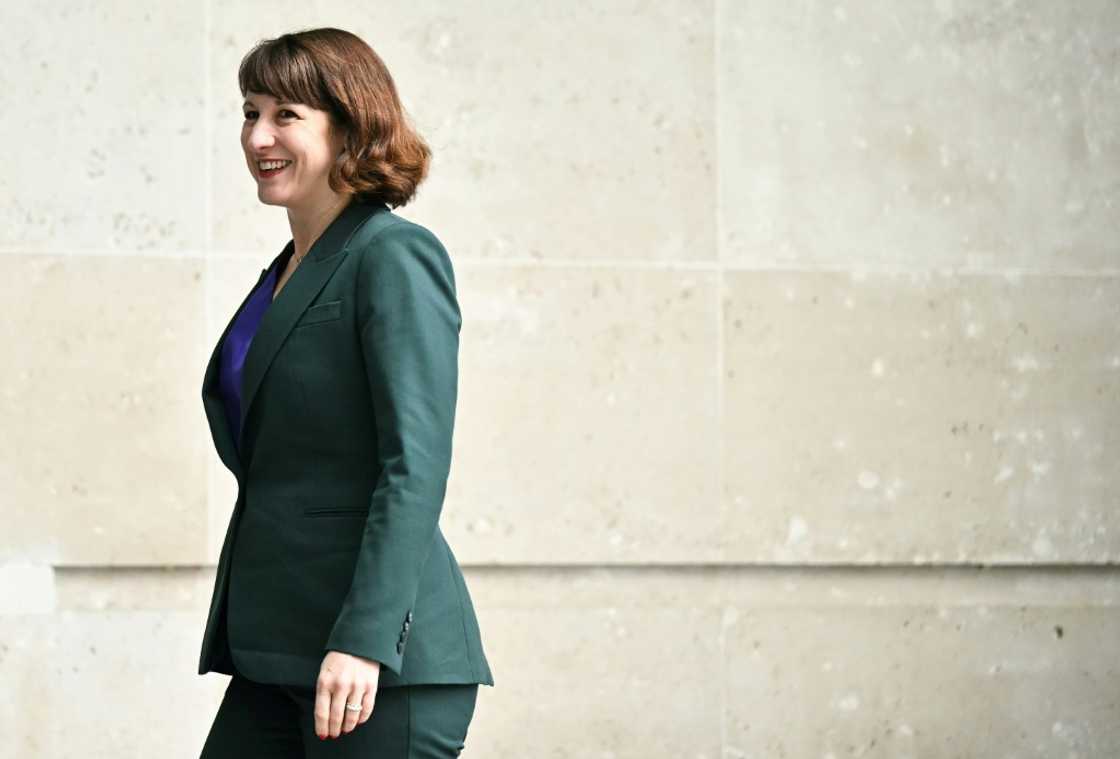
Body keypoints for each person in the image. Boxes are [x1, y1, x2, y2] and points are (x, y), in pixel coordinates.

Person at [197, 28, 494, 758]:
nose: (258, 135)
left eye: (285, 115)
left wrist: (365, 639)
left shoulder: (392, 255)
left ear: (351, 126)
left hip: (374, 665)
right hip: (277, 649)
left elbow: (413, 464)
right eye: (248, 111)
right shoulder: (285, 272)